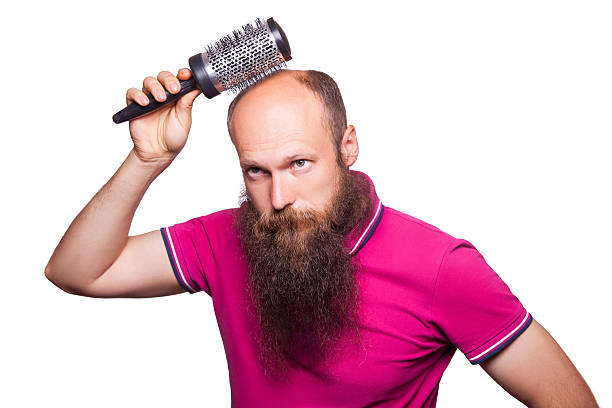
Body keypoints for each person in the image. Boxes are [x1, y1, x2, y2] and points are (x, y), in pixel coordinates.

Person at [45, 67, 598, 407]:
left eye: (300, 163)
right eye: (256, 171)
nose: (279, 197)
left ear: (348, 145)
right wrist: (148, 159)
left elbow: (566, 399)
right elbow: (78, 272)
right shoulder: (229, 238)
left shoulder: (441, 267)